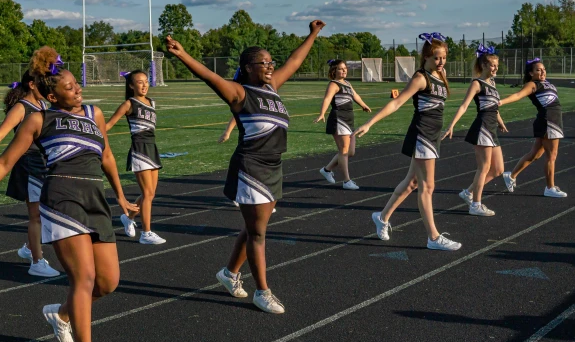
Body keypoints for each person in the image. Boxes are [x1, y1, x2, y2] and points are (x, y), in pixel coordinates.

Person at [0, 47, 137, 342]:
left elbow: (107, 157)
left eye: (76, 85)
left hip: (96, 199)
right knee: (84, 278)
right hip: (62, 199)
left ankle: (62, 315)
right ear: (52, 95)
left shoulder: (94, 114)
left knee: (108, 282)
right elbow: (6, 162)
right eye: (69, 87)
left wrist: (121, 197)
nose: (77, 89)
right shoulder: (39, 119)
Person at [166, 19, 326, 314]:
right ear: (248, 67)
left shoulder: (273, 86)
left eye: (270, 62)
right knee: (258, 234)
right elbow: (209, 77)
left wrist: (313, 34)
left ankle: (228, 274)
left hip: (273, 165)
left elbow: (294, 60)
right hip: (251, 167)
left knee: (256, 227)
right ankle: (262, 292)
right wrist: (183, 54)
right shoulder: (240, 93)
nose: (269, 66)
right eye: (263, 63)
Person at [354, 33, 462, 251]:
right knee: (427, 186)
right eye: (436, 58)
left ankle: (382, 217)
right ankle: (433, 237)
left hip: (432, 135)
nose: (441, 62)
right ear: (426, 57)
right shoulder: (421, 78)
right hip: (422, 134)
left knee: (412, 183)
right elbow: (397, 103)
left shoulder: (442, 76)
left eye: (443, 58)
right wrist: (370, 122)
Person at [0, 71, 58, 277]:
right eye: (43, 83)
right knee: (35, 216)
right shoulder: (21, 108)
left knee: (48, 213)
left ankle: (28, 247)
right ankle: (36, 261)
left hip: (44, 165)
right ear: (32, 85)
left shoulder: (43, 106)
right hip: (28, 165)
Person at [442, 45, 508, 216]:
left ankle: (468, 193)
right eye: (492, 65)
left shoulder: (492, 84)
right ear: (484, 65)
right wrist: (452, 125)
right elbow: (464, 106)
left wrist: (500, 122)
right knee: (484, 168)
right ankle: (476, 204)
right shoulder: (477, 83)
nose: (495, 68)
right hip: (483, 127)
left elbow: (494, 107)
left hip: (492, 127)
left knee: (498, 170)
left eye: (497, 66)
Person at [105, 70, 165, 245]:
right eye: (139, 82)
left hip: (152, 148)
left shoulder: (151, 102)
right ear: (131, 85)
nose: (144, 85)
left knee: (151, 193)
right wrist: (93, 133)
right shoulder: (129, 104)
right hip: (139, 149)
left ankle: (128, 217)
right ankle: (146, 233)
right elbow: (109, 124)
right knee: (147, 193)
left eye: (146, 81)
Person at [499, 58, 567, 197]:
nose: (542, 72)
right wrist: (500, 102)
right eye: (538, 70)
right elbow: (518, 95)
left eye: (543, 69)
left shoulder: (546, 83)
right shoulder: (532, 84)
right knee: (551, 156)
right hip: (548, 121)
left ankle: (511, 176)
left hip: (553, 121)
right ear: (531, 73)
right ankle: (550, 188)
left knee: (535, 154)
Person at [316, 59, 371, 190]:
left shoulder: (347, 83)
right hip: (338, 118)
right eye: (341, 68)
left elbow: (355, 95)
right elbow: (327, 99)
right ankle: (347, 181)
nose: (344, 70)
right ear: (334, 71)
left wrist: (363, 105)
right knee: (344, 150)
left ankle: (327, 170)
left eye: (345, 68)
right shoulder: (333, 84)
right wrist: (322, 113)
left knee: (350, 152)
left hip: (348, 119)